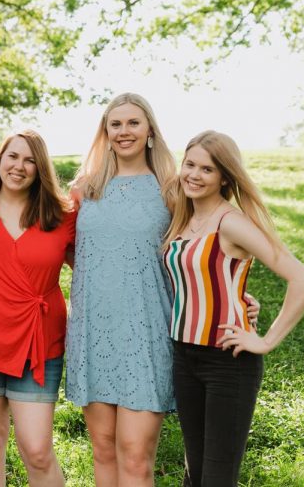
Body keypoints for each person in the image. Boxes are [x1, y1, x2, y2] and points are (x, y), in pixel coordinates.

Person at [162, 130, 304, 486]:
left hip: (227, 363)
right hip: (184, 357)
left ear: (225, 177)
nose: (194, 175)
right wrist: (239, 296)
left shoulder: (231, 223)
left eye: (207, 169)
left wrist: (265, 340)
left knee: (216, 478)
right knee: (193, 474)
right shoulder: (182, 218)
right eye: (190, 165)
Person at [65, 92, 178, 485]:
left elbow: (201, 247)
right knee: (103, 448)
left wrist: (236, 295)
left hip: (146, 334)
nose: (124, 131)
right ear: (106, 131)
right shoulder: (85, 188)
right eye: (116, 124)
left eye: (133, 122)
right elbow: (60, 247)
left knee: (134, 457)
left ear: (149, 130)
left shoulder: (172, 188)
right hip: (93, 330)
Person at [0, 130, 75, 486]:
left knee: (37, 449)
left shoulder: (62, 215)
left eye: (30, 161)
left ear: (41, 169)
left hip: (38, 343)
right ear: (0, 160)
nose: (19, 167)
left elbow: (96, 269)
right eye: (13, 157)